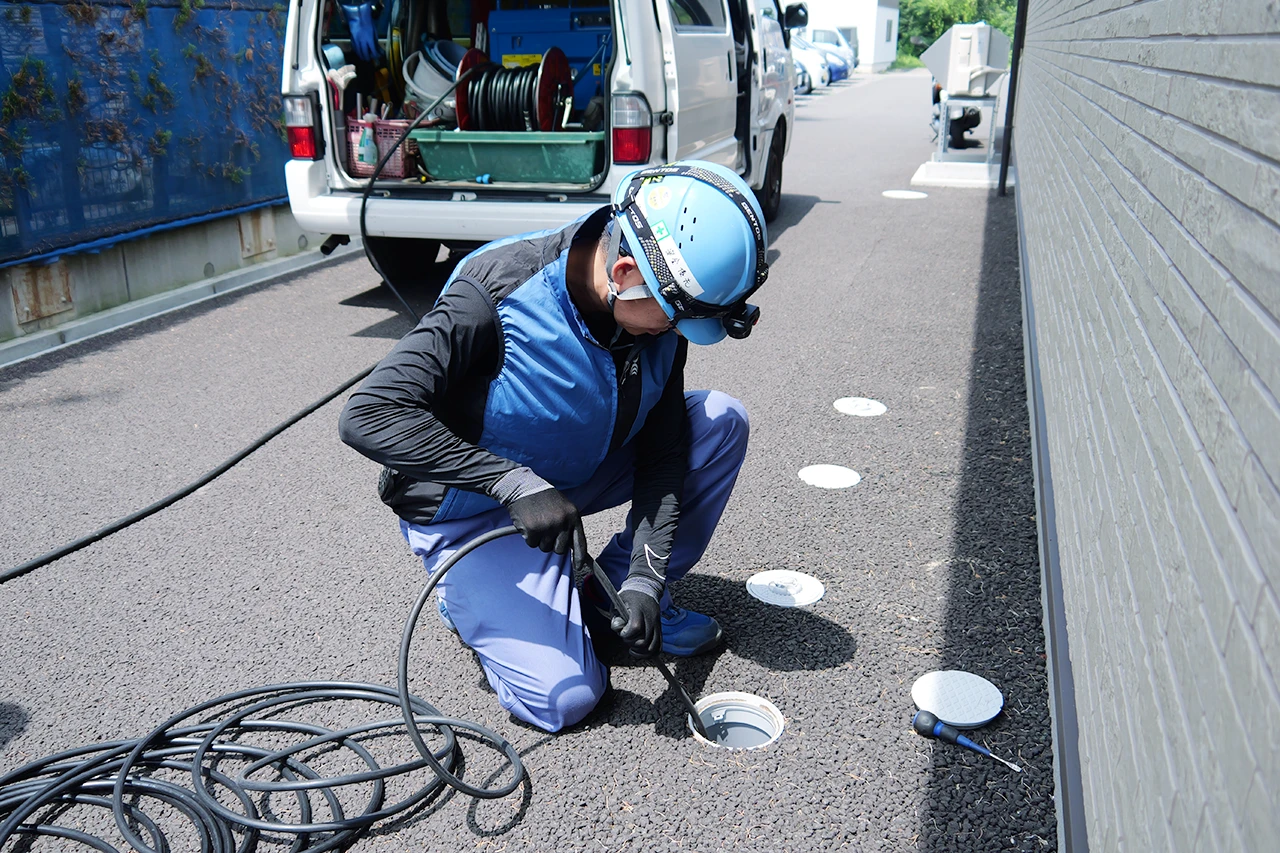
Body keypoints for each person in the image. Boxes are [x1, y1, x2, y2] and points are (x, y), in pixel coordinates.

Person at [338, 161, 769, 733]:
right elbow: (367, 413)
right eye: (675, 322)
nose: (675, 335)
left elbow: (664, 453)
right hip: (470, 509)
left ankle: (604, 595)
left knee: (719, 422)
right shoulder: (496, 291)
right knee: (564, 698)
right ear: (623, 272)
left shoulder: (656, 311)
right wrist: (509, 483)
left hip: (567, 476)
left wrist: (643, 579)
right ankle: (466, 594)